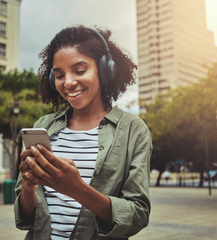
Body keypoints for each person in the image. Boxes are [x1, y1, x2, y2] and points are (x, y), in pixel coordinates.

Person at [14, 25, 152, 240]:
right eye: (59, 75)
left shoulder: (133, 130)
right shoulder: (45, 125)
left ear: (105, 70)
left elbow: (138, 215)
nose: (68, 82)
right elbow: (28, 218)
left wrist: (77, 189)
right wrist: (29, 186)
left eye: (79, 71)